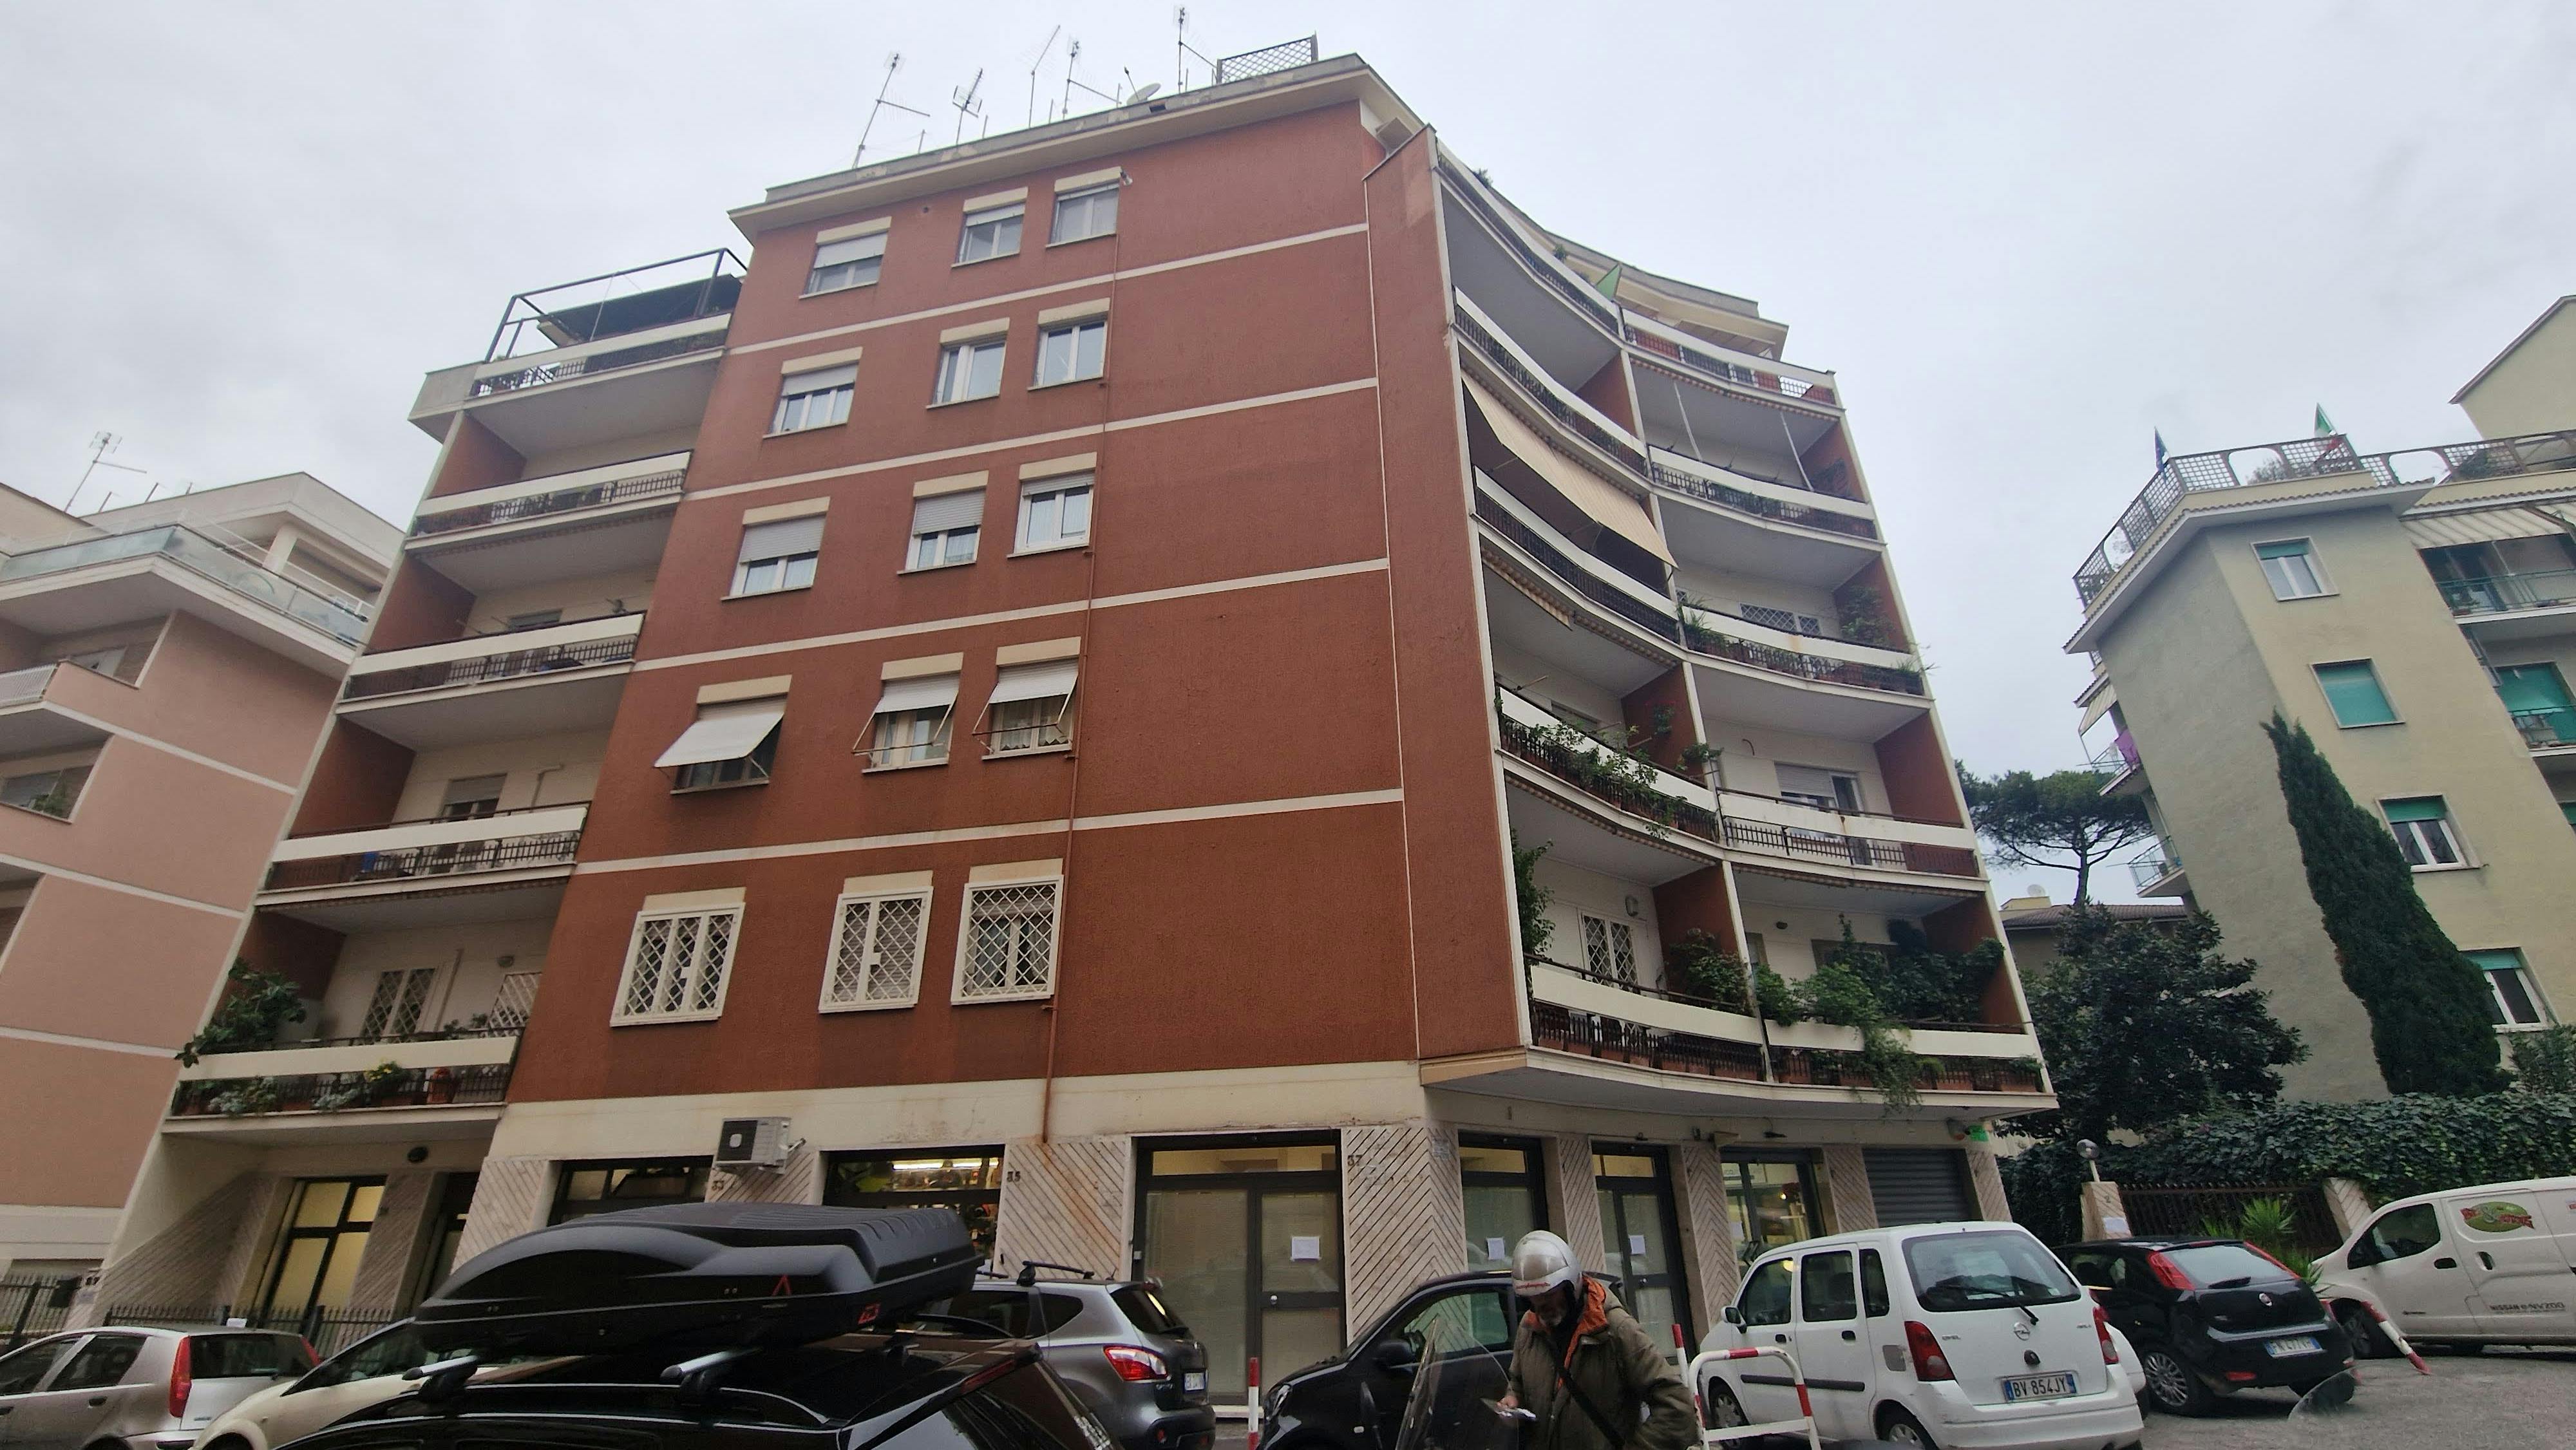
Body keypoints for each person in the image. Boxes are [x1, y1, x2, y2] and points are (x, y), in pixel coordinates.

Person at [1494, 1230, 1696, 1450]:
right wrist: (1513, 1400)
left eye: (1549, 1295)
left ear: (1570, 1287)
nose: (1541, 1305)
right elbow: (1518, 1381)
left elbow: (1677, 1407)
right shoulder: (1530, 1328)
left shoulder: (1616, 1329)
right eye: (1532, 1299)